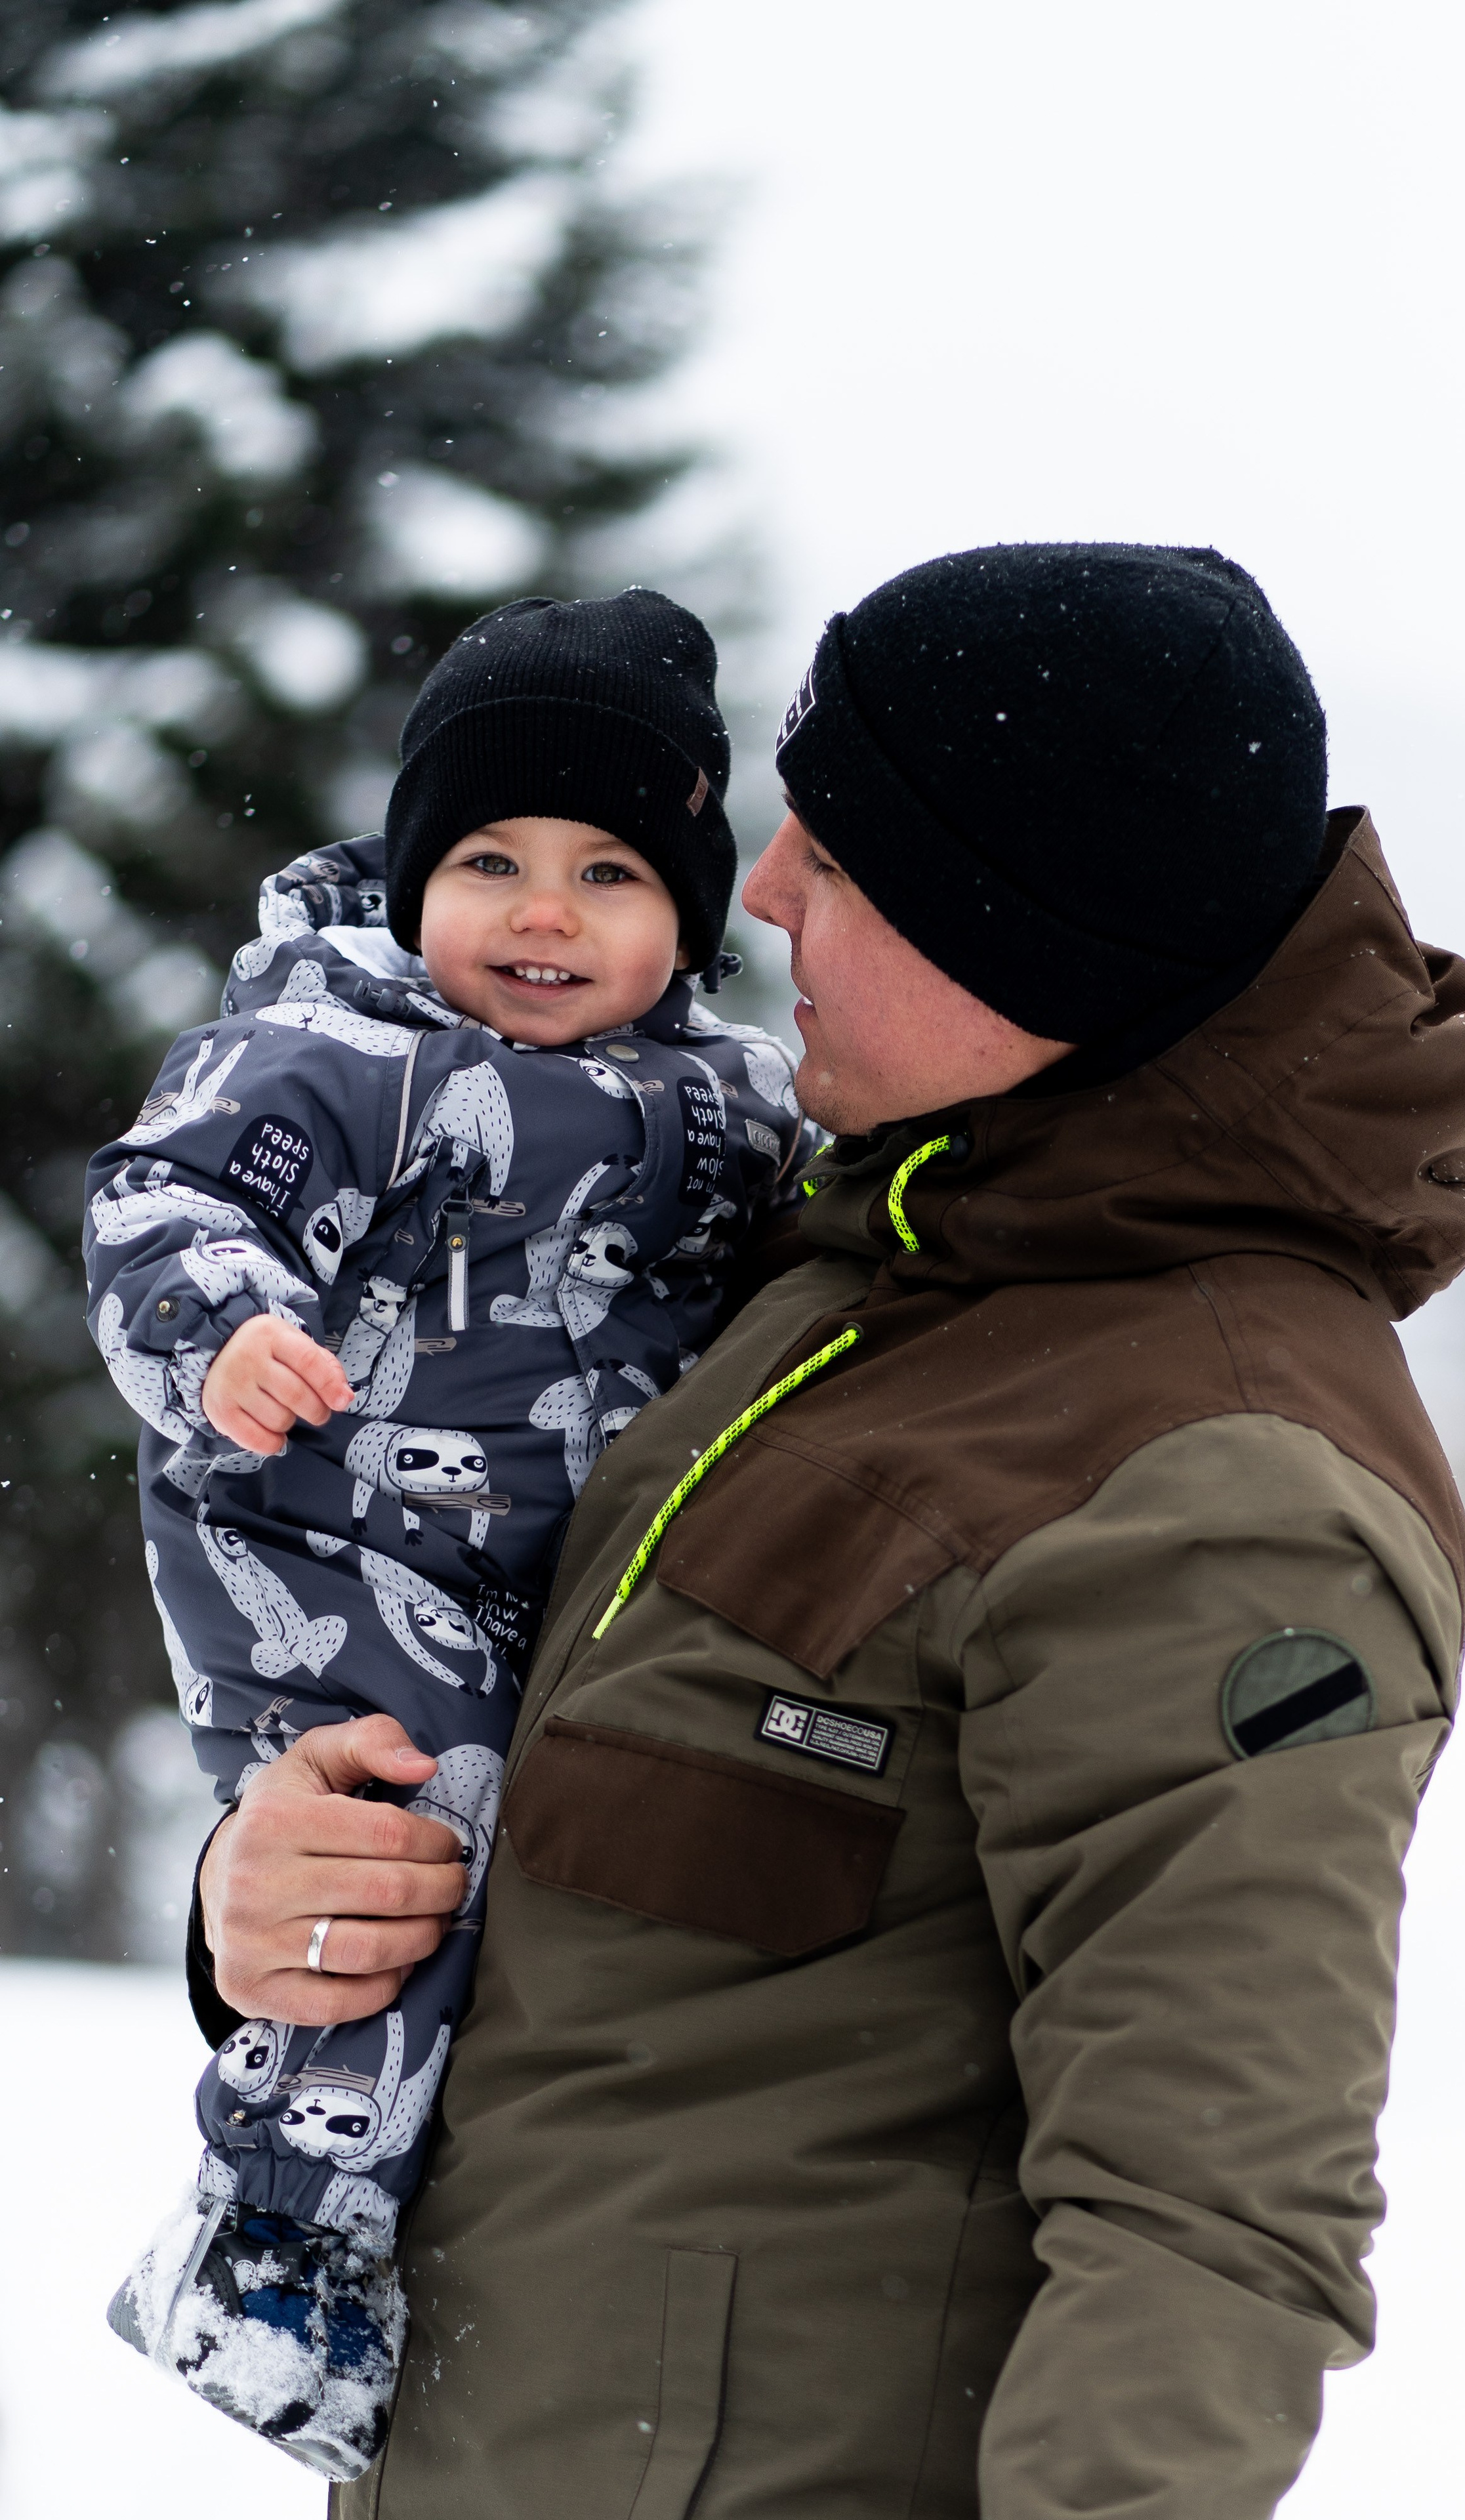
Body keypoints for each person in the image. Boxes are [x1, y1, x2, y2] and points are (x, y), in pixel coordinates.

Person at [191, 544, 1465, 2520]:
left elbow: (1207, 2239)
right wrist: (288, 1891)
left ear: (1028, 934)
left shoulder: (1219, 1479)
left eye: (845, 853)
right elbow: (633, 1889)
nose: (764, 891)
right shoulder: (825, 1278)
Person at [84, 591, 810, 2481]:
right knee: (411, 1846)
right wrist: (225, 1332)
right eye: (489, 860)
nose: (542, 914)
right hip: (331, 1537)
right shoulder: (338, 1049)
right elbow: (166, 1201)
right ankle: (274, 2243)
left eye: (607, 873)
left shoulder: (736, 1100)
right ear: (413, 880)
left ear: (688, 920)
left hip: (543, 1566)